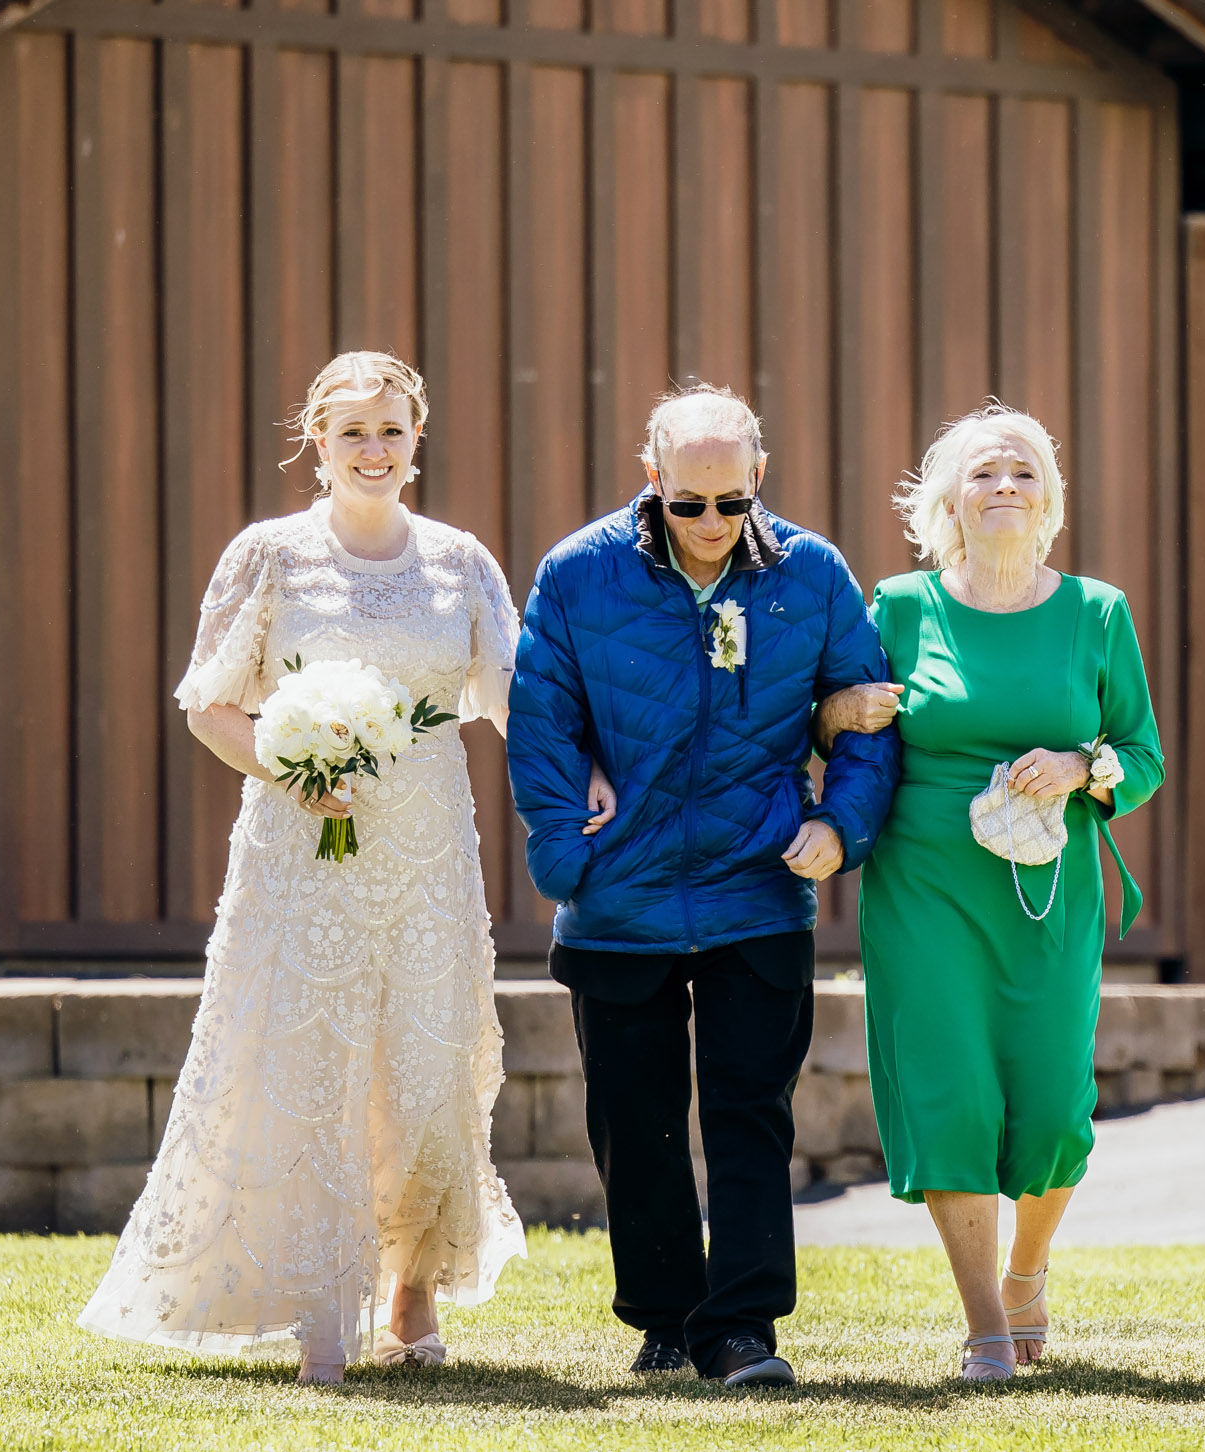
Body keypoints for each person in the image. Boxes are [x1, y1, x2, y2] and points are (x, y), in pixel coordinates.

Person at [79, 352, 560, 1383]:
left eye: (391, 430)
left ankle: (412, 1290)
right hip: (303, 845)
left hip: (428, 843)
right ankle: (319, 1307)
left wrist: (590, 782)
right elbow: (208, 701)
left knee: (428, 1067)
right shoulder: (271, 556)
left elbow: (519, 702)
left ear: (417, 437)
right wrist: (289, 765)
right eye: (352, 433)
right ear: (317, 440)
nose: (374, 451)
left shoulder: (462, 562)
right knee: (312, 1064)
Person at [507, 383, 900, 1388]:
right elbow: (541, 720)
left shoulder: (811, 574)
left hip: (756, 887)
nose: (714, 525)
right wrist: (566, 857)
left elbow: (868, 716)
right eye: (690, 504)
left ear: (758, 480)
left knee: (749, 1111)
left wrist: (839, 825)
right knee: (633, 1123)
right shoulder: (579, 573)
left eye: (733, 503)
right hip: (619, 897)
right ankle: (667, 1318)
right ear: (653, 481)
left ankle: (743, 1329)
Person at [815, 404, 1163, 1382]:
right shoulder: (897, 607)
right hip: (925, 889)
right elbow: (840, 728)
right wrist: (835, 713)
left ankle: (1026, 1271)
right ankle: (983, 1326)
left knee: (1053, 1107)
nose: (1003, 486)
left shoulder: (1097, 611)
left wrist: (1081, 763)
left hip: (1047, 889)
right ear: (948, 501)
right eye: (983, 474)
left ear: (1047, 496)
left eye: (1021, 472)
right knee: (950, 1092)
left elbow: (1142, 756)